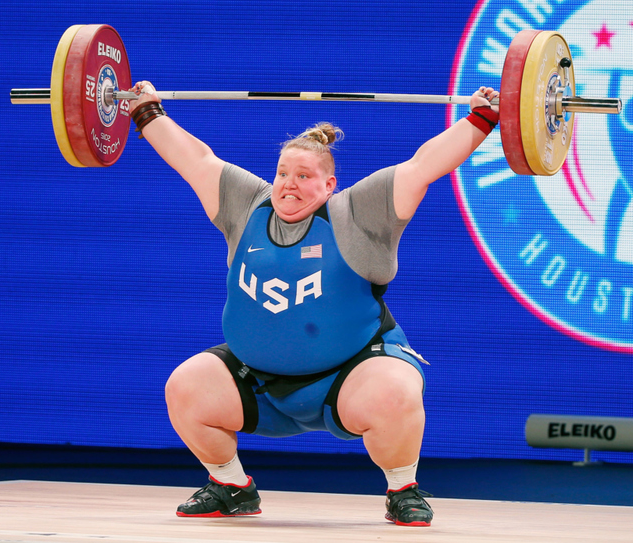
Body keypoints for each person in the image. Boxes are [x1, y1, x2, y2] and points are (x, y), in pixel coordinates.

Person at [128, 82, 500, 527]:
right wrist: (147, 113)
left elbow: (422, 167)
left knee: (396, 392)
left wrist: (481, 119)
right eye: (284, 173)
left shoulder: (358, 212)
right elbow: (196, 161)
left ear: (329, 184)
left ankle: (403, 489)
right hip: (256, 380)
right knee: (184, 387)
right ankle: (230, 487)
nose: (289, 184)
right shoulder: (247, 205)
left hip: (350, 375)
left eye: (304, 177)